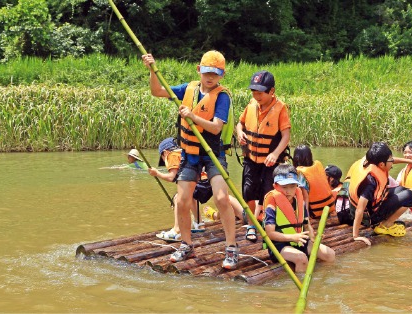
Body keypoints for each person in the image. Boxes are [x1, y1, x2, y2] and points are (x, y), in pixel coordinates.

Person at [142, 50, 239, 269]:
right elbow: (157, 91)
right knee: (183, 201)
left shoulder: (222, 97)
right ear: (199, 70)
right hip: (190, 154)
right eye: (207, 72)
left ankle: (231, 247)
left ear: (222, 74)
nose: (210, 77)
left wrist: (193, 116)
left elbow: (215, 128)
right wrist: (152, 70)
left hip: (213, 153)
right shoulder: (189, 89)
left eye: (215, 73)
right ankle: (186, 244)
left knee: (222, 198)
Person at [236, 70, 291, 243]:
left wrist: (275, 154)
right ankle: (252, 225)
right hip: (251, 158)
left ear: (271, 91)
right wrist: (239, 133)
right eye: (254, 91)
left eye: (260, 92)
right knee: (248, 192)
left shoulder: (281, 108)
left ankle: (269, 228)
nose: (256, 95)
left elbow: (286, 135)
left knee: (268, 193)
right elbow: (240, 123)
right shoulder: (251, 104)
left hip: (270, 161)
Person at [348, 142, 412, 246]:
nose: (392, 162)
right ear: (382, 164)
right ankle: (386, 225)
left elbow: (390, 160)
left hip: (371, 206)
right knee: (408, 195)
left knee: (400, 190)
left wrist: (410, 161)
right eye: (390, 160)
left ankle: (386, 221)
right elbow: (360, 209)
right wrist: (356, 236)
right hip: (368, 218)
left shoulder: (370, 160)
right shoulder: (370, 182)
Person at [263, 164, 335, 272]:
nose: (288, 191)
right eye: (284, 187)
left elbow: (306, 225)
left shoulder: (299, 199)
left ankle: (322, 282)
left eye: (292, 186)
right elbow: (270, 234)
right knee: (301, 258)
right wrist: (293, 237)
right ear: (275, 186)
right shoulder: (272, 201)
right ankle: (298, 286)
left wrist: (312, 237)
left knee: (330, 254)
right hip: (279, 245)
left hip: (299, 241)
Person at [293, 145, 336, 217]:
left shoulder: (300, 172)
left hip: (316, 211)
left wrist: (306, 217)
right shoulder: (318, 164)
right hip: (330, 206)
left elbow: (304, 197)